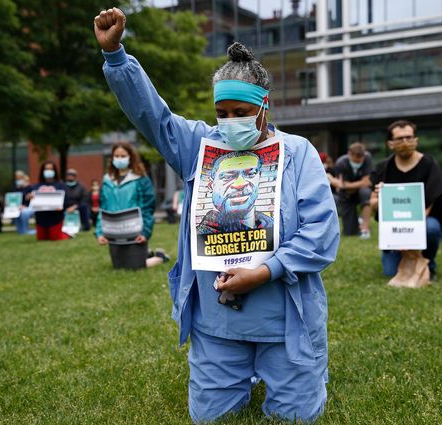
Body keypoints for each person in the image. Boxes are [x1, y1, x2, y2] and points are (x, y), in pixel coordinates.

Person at [95, 9, 339, 423]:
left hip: (284, 319)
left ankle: (303, 370)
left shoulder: (298, 152)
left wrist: (265, 271)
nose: (228, 122)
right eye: (221, 112)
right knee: (208, 417)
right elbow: (152, 116)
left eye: (239, 112)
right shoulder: (200, 145)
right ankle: (238, 372)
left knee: (297, 416)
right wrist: (116, 55)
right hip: (217, 321)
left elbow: (321, 232)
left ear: (264, 106)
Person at [370, 120, 442, 280]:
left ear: (416, 140)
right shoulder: (383, 168)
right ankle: (395, 254)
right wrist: (378, 201)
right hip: (394, 227)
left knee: (431, 228)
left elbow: (430, 203)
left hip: (422, 221)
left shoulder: (430, 165)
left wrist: (409, 233)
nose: (405, 142)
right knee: (391, 272)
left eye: (409, 137)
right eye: (399, 139)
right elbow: (373, 203)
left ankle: (428, 262)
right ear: (390, 144)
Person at [95, 142, 169, 269]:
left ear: (130, 157)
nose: (119, 159)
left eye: (123, 156)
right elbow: (103, 207)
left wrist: (145, 232)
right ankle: (147, 253)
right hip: (114, 232)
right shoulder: (107, 179)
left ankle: (160, 257)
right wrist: (100, 232)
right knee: (118, 267)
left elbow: (147, 208)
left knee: (135, 267)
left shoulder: (141, 179)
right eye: (116, 156)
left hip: (135, 230)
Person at [196, 151, 272, 234]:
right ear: (211, 185)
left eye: (250, 174)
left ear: (259, 180)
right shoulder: (199, 236)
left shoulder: (272, 225)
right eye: (228, 176)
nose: (240, 184)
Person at [334, 142, 373, 238]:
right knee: (350, 232)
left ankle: (365, 228)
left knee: (366, 192)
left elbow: (368, 182)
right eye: (355, 161)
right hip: (346, 195)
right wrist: (360, 183)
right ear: (349, 154)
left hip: (362, 192)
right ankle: (357, 222)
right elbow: (341, 186)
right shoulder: (340, 163)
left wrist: (348, 185)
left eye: (360, 161)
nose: (357, 163)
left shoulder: (368, 158)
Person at [27, 161, 70, 241]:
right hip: (41, 218)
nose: (48, 171)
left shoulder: (61, 185)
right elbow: (29, 203)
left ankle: (68, 234)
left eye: (51, 169)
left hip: (55, 218)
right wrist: (29, 198)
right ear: (42, 171)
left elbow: (67, 202)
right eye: (46, 169)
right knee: (41, 239)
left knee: (55, 238)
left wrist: (61, 207)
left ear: (55, 171)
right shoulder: (36, 187)